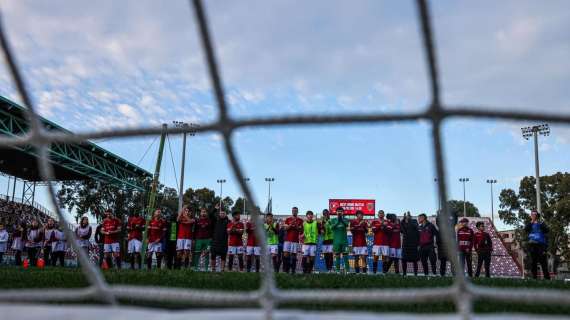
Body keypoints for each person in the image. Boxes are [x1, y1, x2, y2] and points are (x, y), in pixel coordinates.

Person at [525, 210, 550, 280]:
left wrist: (541, 224)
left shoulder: (541, 223)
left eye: (534, 214)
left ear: (537, 215)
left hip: (541, 245)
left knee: (543, 262)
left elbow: (547, 230)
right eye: (532, 214)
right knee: (533, 262)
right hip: (532, 244)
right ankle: (534, 278)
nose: (533, 215)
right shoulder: (529, 224)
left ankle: (547, 278)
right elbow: (526, 230)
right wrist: (531, 223)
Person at [282, 207, 303, 274]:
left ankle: (293, 271)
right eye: (293, 210)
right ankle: (286, 270)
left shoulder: (300, 220)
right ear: (292, 211)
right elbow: (285, 229)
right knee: (286, 255)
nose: (294, 212)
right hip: (287, 240)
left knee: (294, 255)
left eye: (296, 211)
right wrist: (291, 224)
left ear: (297, 212)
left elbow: (300, 230)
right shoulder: (288, 219)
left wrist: (296, 224)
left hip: (295, 240)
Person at [371, 210, 391, 274]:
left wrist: (384, 226)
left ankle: (384, 273)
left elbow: (389, 231)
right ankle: (374, 272)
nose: (381, 214)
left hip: (385, 243)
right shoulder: (374, 221)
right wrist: (381, 224)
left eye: (382, 213)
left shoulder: (387, 221)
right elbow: (374, 230)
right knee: (375, 258)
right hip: (376, 244)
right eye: (380, 213)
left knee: (384, 258)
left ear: (384, 215)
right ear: (378, 215)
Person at [330, 207, 350, 273]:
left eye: (341, 211)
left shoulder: (346, 219)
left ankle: (348, 271)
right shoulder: (333, 220)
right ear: (336, 212)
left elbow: (346, 225)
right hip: (336, 241)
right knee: (337, 257)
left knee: (346, 257)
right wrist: (338, 221)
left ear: (343, 212)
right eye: (338, 211)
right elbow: (332, 227)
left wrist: (341, 220)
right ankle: (337, 271)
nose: (339, 212)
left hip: (344, 241)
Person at [210, 207, 229, 272]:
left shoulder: (228, 221)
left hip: (224, 242)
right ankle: (213, 269)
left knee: (223, 256)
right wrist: (215, 209)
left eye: (223, 213)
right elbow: (211, 215)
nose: (222, 214)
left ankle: (222, 269)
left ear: (226, 214)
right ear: (219, 214)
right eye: (221, 213)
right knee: (213, 256)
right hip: (215, 241)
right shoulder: (216, 220)